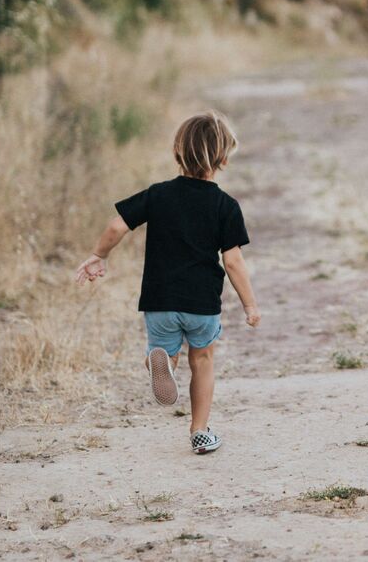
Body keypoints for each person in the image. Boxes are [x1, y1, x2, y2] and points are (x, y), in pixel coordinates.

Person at [75, 111, 260, 454]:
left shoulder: (158, 195)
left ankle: (160, 362)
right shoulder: (225, 205)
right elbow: (232, 261)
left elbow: (117, 227)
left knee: (165, 350)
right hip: (202, 304)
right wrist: (249, 304)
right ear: (222, 159)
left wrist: (99, 255)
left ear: (178, 154)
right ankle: (199, 431)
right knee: (202, 360)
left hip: (160, 300)